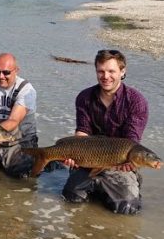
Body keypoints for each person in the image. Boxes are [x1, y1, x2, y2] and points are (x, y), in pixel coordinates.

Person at [62, 49, 149, 214]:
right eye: (101, 71)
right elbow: (83, 131)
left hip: (120, 164)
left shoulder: (136, 101)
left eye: (111, 71)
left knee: (127, 207)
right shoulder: (84, 97)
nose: (105, 76)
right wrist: (72, 154)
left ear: (122, 72)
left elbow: (132, 140)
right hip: (88, 159)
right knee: (71, 197)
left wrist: (128, 163)